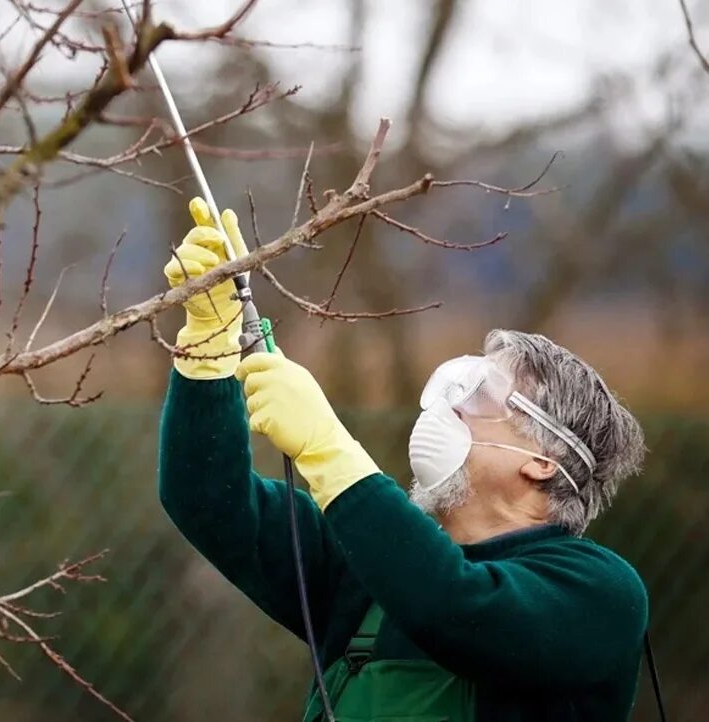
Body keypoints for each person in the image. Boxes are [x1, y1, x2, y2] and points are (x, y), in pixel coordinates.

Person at [158, 198, 650, 721]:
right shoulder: (363, 564)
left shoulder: (599, 590)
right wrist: (207, 354)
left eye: (477, 396)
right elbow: (207, 501)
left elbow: (455, 609)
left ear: (544, 460)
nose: (445, 407)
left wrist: (328, 448)